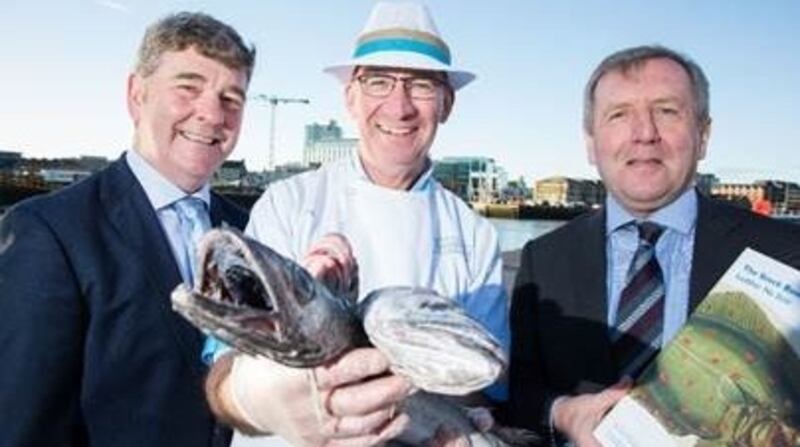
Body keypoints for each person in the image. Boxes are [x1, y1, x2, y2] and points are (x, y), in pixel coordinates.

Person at [203, 2, 509, 446]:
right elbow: (222, 371)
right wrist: (254, 396)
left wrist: (473, 426)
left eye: (421, 85)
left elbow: (483, 385)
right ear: (350, 96)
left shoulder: (475, 233)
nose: (399, 107)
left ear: (447, 103)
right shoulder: (288, 203)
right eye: (378, 82)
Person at [503, 45, 800, 446]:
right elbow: (520, 391)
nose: (644, 133)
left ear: (703, 135)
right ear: (591, 143)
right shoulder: (544, 260)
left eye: (666, 110)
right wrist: (560, 413)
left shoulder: (784, 255)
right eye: (619, 114)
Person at [0, 12, 255, 446]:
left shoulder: (254, 232)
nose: (213, 115)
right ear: (137, 95)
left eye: (232, 98)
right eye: (188, 88)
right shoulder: (49, 232)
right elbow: (24, 425)